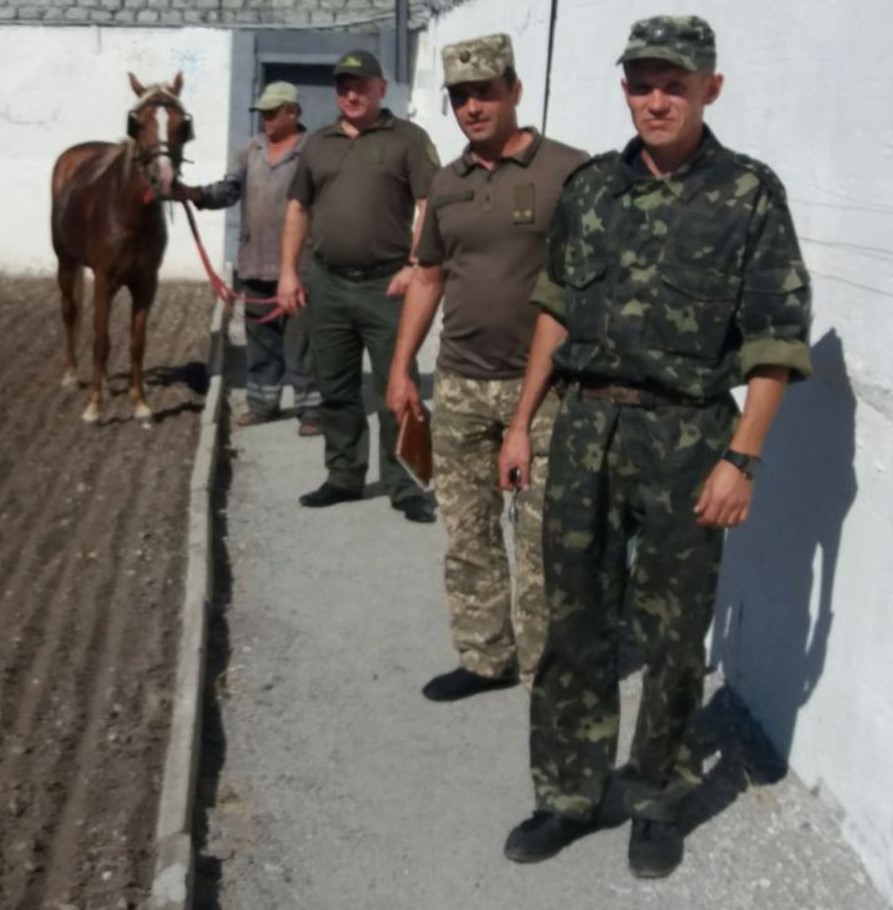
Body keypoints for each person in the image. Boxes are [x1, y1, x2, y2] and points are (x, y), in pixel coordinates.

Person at [498, 15, 812, 878]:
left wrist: (740, 458)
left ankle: (657, 798)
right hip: (585, 426)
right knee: (573, 623)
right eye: (641, 82)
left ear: (711, 87)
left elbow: (777, 341)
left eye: (673, 82)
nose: (656, 98)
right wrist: (525, 421)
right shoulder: (593, 188)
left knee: (673, 635)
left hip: (686, 434)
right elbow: (555, 310)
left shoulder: (747, 193)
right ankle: (565, 792)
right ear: (625, 88)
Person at [386, 34, 587, 701]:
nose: (473, 107)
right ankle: (484, 655)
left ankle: (544, 669)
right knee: (466, 530)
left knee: (539, 545)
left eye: (485, 92)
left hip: (546, 391)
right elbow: (427, 275)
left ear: (514, 91)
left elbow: (588, 285)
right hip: (461, 383)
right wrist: (400, 368)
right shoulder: (447, 183)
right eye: (460, 97)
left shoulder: (568, 173)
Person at [277, 50, 439, 523]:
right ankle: (344, 475)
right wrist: (288, 271)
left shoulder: (408, 139)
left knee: (399, 389)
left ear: (380, 88)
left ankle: (404, 484)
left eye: (361, 85)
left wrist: (415, 262)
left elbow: (430, 204)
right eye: (343, 86)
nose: (351, 94)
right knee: (336, 387)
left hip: (385, 287)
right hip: (326, 284)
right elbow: (297, 209)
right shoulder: (319, 144)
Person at [175, 82, 320, 432]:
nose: (265, 121)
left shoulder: (314, 151)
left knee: (303, 342)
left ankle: (311, 410)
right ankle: (262, 404)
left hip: (300, 266)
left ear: (293, 113)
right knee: (261, 342)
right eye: (262, 114)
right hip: (255, 261)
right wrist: (193, 193)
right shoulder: (249, 151)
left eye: (272, 114)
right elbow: (228, 190)